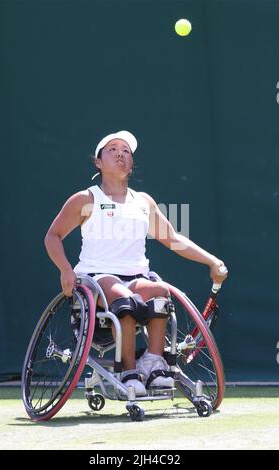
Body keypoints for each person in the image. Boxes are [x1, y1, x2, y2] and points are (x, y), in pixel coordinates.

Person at [44, 130, 228, 397]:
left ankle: (153, 364)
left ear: (131, 162)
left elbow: (173, 239)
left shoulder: (143, 202)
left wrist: (212, 261)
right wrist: (65, 269)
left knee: (161, 293)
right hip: (97, 279)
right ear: (98, 162)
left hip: (137, 276)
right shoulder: (86, 199)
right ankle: (128, 371)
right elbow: (53, 236)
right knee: (125, 297)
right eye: (113, 149)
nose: (121, 153)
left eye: (126, 151)